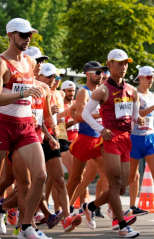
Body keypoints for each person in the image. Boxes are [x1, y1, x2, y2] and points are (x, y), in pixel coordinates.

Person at [0, 18, 46, 239]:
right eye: (23, 35)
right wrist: (21, 94)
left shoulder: (31, 62)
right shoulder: (0, 63)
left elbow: (32, 90)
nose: (27, 39)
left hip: (26, 126)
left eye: (30, 35)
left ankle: (26, 226)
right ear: (10, 35)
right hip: (2, 125)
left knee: (39, 176)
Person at [81, 49, 140, 237]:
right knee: (114, 182)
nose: (123, 67)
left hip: (126, 139)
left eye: (126, 63)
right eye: (119, 63)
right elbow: (85, 114)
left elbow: (135, 115)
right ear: (110, 65)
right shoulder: (103, 90)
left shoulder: (132, 90)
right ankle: (122, 226)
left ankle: (90, 206)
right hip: (110, 139)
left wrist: (140, 120)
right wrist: (101, 129)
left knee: (122, 186)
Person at [37, 63, 82, 232]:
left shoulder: (57, 94)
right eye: (49, 77)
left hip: (54, 138)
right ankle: (1, 209)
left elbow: (54, 120)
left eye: (55, 77)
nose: (53, 80)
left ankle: (66, 216)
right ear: (38, 75)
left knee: (59, 179)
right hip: (32, 139)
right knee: (29, 183)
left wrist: (55, 133)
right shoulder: (32, 90)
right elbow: (37, 118)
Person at [66, 61, 109, 217]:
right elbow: (78, 114)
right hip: (85, 139)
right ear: (87, 74)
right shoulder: (84, 92)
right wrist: (101, 115)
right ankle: (65, 210)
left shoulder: (101, 91)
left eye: (102, 73)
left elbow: (72, 109)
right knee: (76, 179)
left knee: (110, 179)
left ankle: (109, 213)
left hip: (98, 141)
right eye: (97, 73)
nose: (100, 75)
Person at [127, 66, 153, 216]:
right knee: (133, 175)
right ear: (141, 78)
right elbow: (137, 114)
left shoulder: (152, 95)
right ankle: (131, 206)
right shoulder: (135, 94)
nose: (151, 80)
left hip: (150, 137)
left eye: (153, 77)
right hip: (135, 138)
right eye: (148, 77)